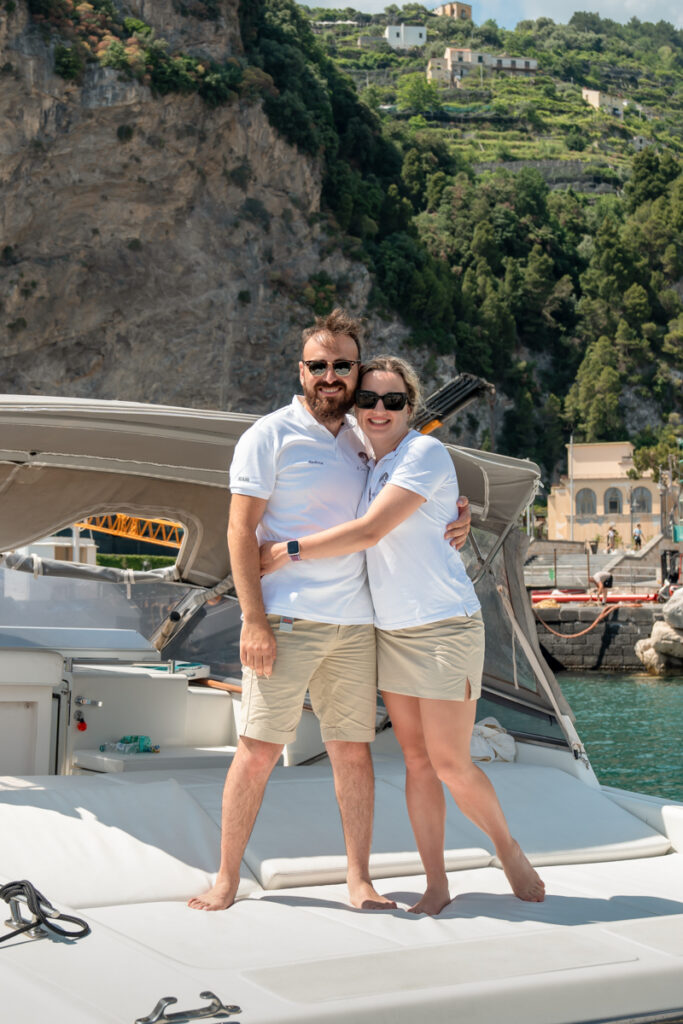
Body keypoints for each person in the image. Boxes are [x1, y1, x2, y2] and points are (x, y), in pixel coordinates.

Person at [188, 310, 471, 912]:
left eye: (344, 366)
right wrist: (253, 619)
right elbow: (240, 531)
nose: (332, 376)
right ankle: (226, 877)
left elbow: (414, 484)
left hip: (358, 624)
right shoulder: (269, 435)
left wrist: (460, 512)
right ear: (302, 371)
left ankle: (359, 880)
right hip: (286, 622)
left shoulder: (365, 440)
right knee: (259, 747)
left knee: (352, 750)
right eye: (319, 365)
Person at [260, 355, 545, 915]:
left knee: (450, 763)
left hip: (442, 628)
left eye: (392, 400)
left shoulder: (425, 453)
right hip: (390, 632)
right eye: (367, 399)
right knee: (415, 763)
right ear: (355, 407)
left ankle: (507, 848)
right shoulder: (366, 462)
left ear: (410, 408)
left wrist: (285, 552)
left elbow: (369, 531)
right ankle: (436, 883)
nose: (378, 409)